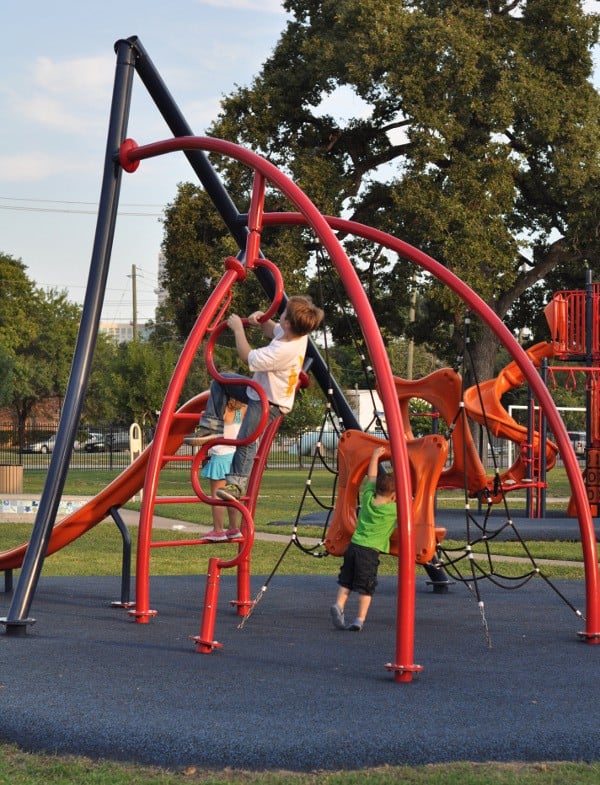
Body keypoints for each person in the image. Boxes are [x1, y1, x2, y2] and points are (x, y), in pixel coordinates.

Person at [185, 295, 324, 502]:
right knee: (222, 380)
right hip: (258, 391)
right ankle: (212, 427)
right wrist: (261, 321)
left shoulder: (282, 350)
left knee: (246, 438)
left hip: (270, 402)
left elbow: (247, 357)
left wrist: (239, 330)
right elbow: (272, 330)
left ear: (288, 322)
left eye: (283, 313)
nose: (281, 315)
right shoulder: (295, 335)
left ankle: (237, 484)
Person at [330, 445, 397, 632]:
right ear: (394, 496)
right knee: (366, 587)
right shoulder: (393, 510)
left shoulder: (368, 498)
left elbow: (372, 476)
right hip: (369, 553)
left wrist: (375, 456)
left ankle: (339, 605)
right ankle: (359, 619)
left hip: (353, 547)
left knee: (346, 581)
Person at [200, 399, 246, 542]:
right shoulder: (241, 410)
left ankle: (218, 530)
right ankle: (233, 528)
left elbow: (207, 421)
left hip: (220, 456)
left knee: (217, 496)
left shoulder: (222, 412)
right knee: (231, 495)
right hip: (234, 456)